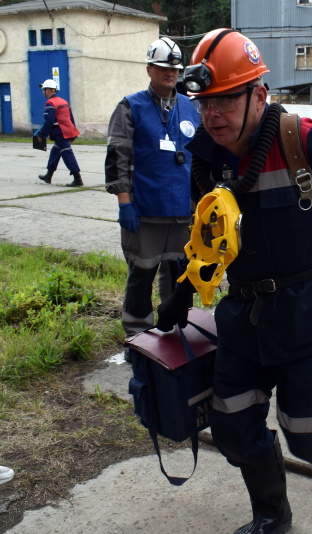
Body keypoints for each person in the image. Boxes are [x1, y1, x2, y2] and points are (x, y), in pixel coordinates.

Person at [156, 29, 312, 533]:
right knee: (231, 426)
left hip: (309, 317)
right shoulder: (208, 153)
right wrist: (183, 287)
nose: (213, 114)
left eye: (226, 100)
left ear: (259, 95)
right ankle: (273, 516)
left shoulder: (307, 140)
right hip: (244, 318)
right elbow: (205, 230)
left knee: (310, 441)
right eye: (205, 103)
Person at [104, 37, 201, 346]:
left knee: (179, 275)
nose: (169, 73)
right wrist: (124, 203)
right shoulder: (130, 106)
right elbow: (118, 155)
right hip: (144, 210)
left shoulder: (191, 106)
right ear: (149, 69)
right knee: (141, 275)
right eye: (162, 67)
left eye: (174, 68)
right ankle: (137, 335)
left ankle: (175, 331)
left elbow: (201, 157)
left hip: (182, 211)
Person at [35, 79, 83, 187]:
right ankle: (48, 175)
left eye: (44, 90)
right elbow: (70, 118)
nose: (43, 92)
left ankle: (77, 178)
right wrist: (73, 132)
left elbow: (49, 121)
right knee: (55, 153)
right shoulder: (63, 101)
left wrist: (41, 135)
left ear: (48, 90)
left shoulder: (50, 103)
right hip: (67, 130)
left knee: (67, 154)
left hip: (60, 132)